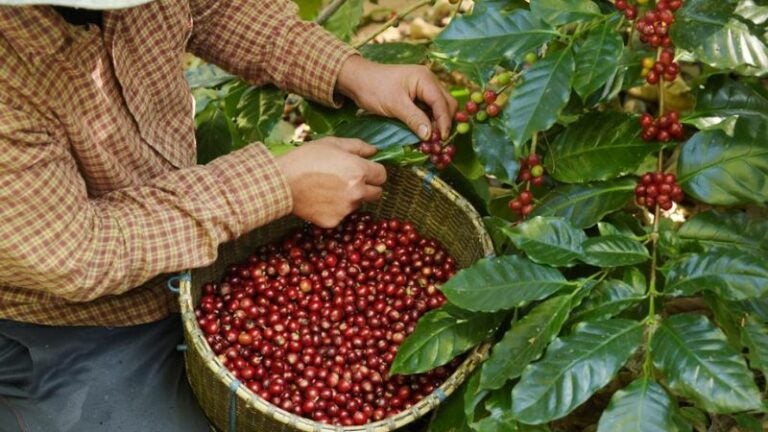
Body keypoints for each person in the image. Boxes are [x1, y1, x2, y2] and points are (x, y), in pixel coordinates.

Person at [0, 0, 457, 430]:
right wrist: (273, 185)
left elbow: (215, 8)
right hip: (66, 320)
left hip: (191, 245)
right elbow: (77, 251)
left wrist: (350, 70)